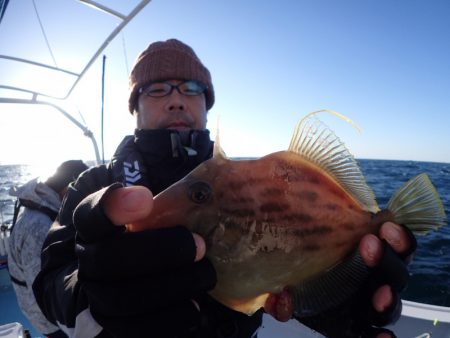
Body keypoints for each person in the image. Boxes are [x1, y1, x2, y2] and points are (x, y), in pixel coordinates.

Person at [33, 39, 415, 338]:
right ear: (134, 107)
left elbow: (283, 269)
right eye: (158, 89)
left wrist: (343, 301)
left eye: (191, 87)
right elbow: (50, 283)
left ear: (206, 103)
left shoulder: (247, 180)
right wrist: (90, 290)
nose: (177, 100)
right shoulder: (96, 185)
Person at [8, 160, 88, 338]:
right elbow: (46, 292)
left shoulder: (40, 203)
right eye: (82, 193)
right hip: (50, 319)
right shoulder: (39, 228)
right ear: (68, 189)